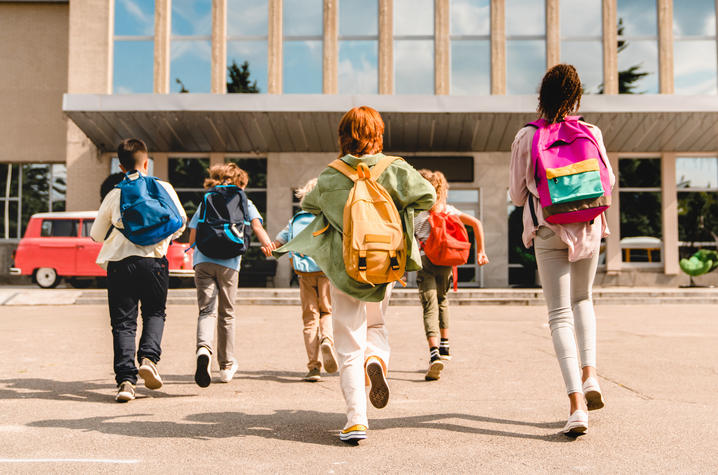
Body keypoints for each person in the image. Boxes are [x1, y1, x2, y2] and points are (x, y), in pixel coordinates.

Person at [273, 106, 436, 444]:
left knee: (348, 342)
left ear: (343, 136)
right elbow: (428, 196)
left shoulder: (330, 175)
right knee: (376, 325)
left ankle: (356, 419)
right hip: (385, 264)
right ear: (378, 134)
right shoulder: (396, 169)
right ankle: (375, 359)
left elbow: (309, 208)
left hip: (346, 268)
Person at [509, 64, 615, 435]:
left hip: (548, 227)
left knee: (558, 315)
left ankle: (575, 406)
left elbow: (517, 194)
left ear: (543, 96)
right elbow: (609, 182)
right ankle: (591, 376)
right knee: (583, 300)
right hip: (587, 225)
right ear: (575, 97)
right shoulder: (591, 131)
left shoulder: (527, 136)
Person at [90, 138, 187, 403]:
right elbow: (180, 222)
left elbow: (96, 235)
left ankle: (125, 382)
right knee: (155, 312)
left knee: (123, 323)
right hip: (155, 262)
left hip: (121, 264)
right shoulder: (162, 187)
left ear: (121, 165)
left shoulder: (115, 193)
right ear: (147, 162)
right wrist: (159, 238)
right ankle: (148, 358)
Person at [189, 163, 273, 387]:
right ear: (240, 183)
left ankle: (203, 350)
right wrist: (268, 246)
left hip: (203, 261)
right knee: (226, 314)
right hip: (229, 263)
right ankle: (225, 366)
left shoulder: (207, 198)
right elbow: (256, 227)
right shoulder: (244, 200)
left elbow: (193, 235)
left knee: (206, 311)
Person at [414, 169, 489, 381]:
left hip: (426, 262)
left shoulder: (417, 214)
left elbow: (407, 241)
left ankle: (434, 352)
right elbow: (477, 223)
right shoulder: (448, 210)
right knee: (443, 300)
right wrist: (481, 252)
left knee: (430, 306)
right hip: (446, 262)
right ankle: (445, 345)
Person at [268, 178, 338, 383]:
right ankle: (327, 338)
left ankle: (313, 367)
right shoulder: (328, 218)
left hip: (304, 274)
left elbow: (278, 243)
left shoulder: (296, 219)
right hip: (326, 272)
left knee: (310, 319)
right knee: (327, 312)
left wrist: (270, 248)